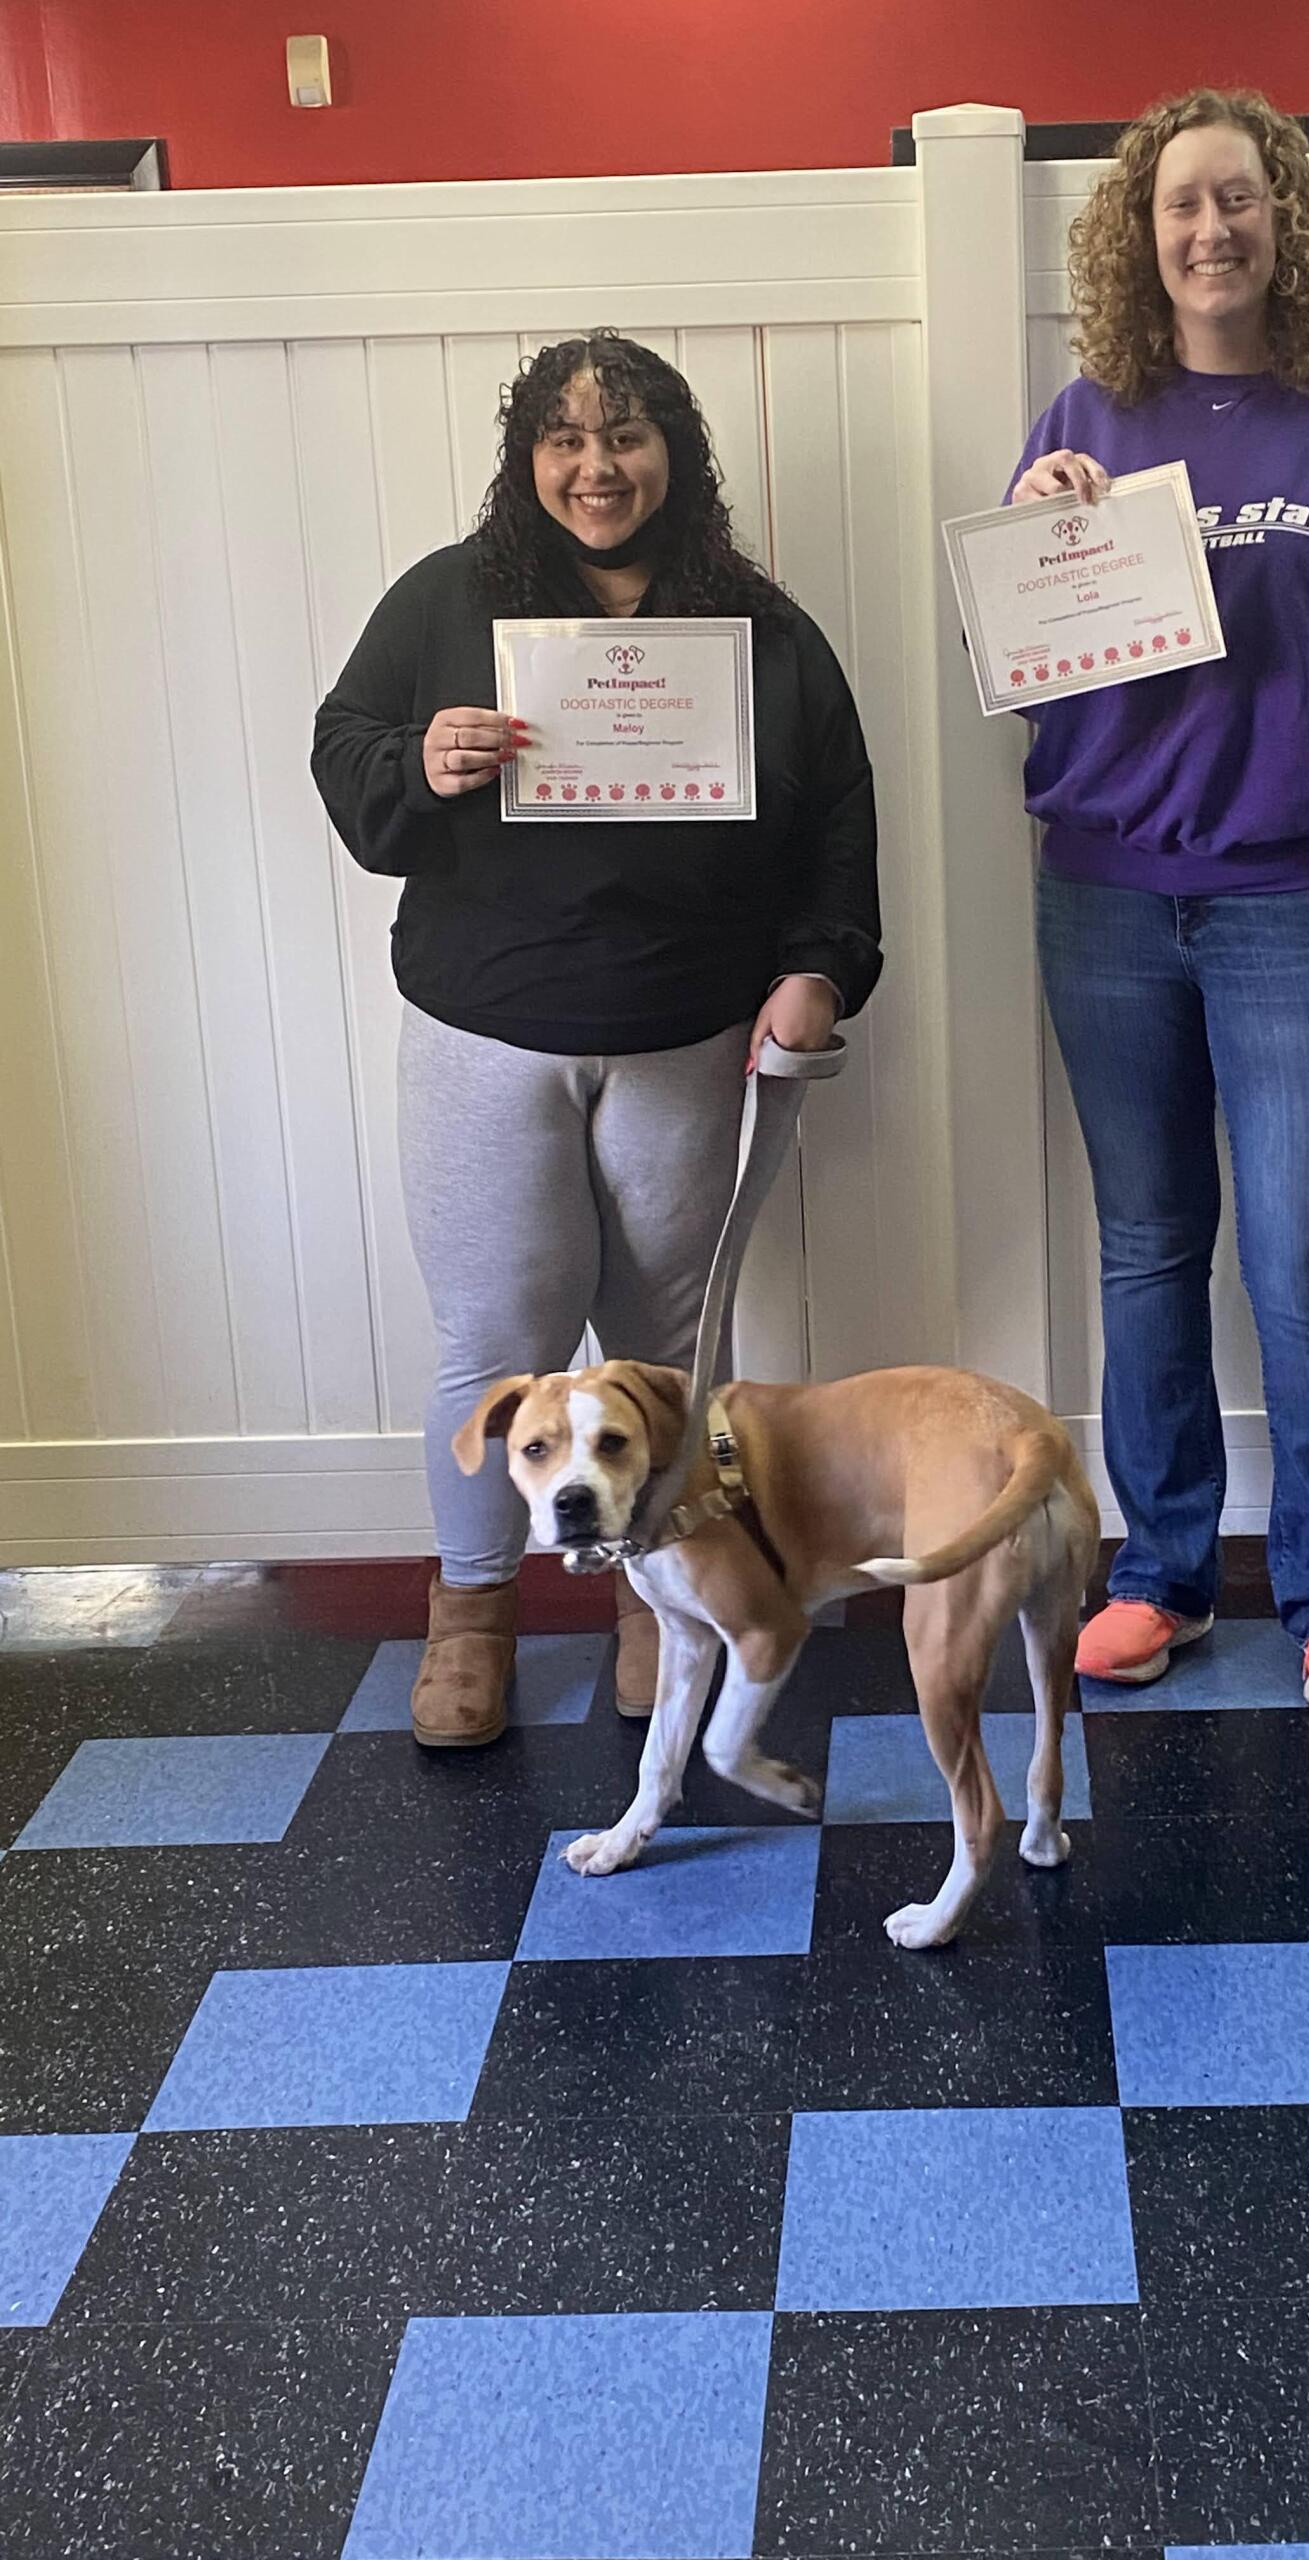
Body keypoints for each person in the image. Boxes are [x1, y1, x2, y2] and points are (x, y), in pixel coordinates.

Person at [313, 331, 880, 1746]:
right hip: (484, 1031)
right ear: (528, 459)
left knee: (668, 1348)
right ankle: (472, 1619)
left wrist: (821, 971)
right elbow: (344, 743)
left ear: (673, 455)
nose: (596, 466)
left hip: (686, 1036)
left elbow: (837, 823)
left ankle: (658, 1604)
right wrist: (418, 763)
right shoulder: (446, 601)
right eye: (564, 439)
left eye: (625, 436)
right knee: (494, 1344)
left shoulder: (761, 629)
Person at [1007, 89, 1309, 1705]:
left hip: (1300, 901)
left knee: (1296, 1256)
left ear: (1287, 222)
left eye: (1240, 200)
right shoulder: (1085, 413)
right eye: (1178, 206)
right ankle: (1158, 1575)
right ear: (1137, 241)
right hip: (1105, 899)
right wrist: (1028, 550)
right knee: (1149, 1249)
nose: (1210, 230)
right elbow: (1019, 676)